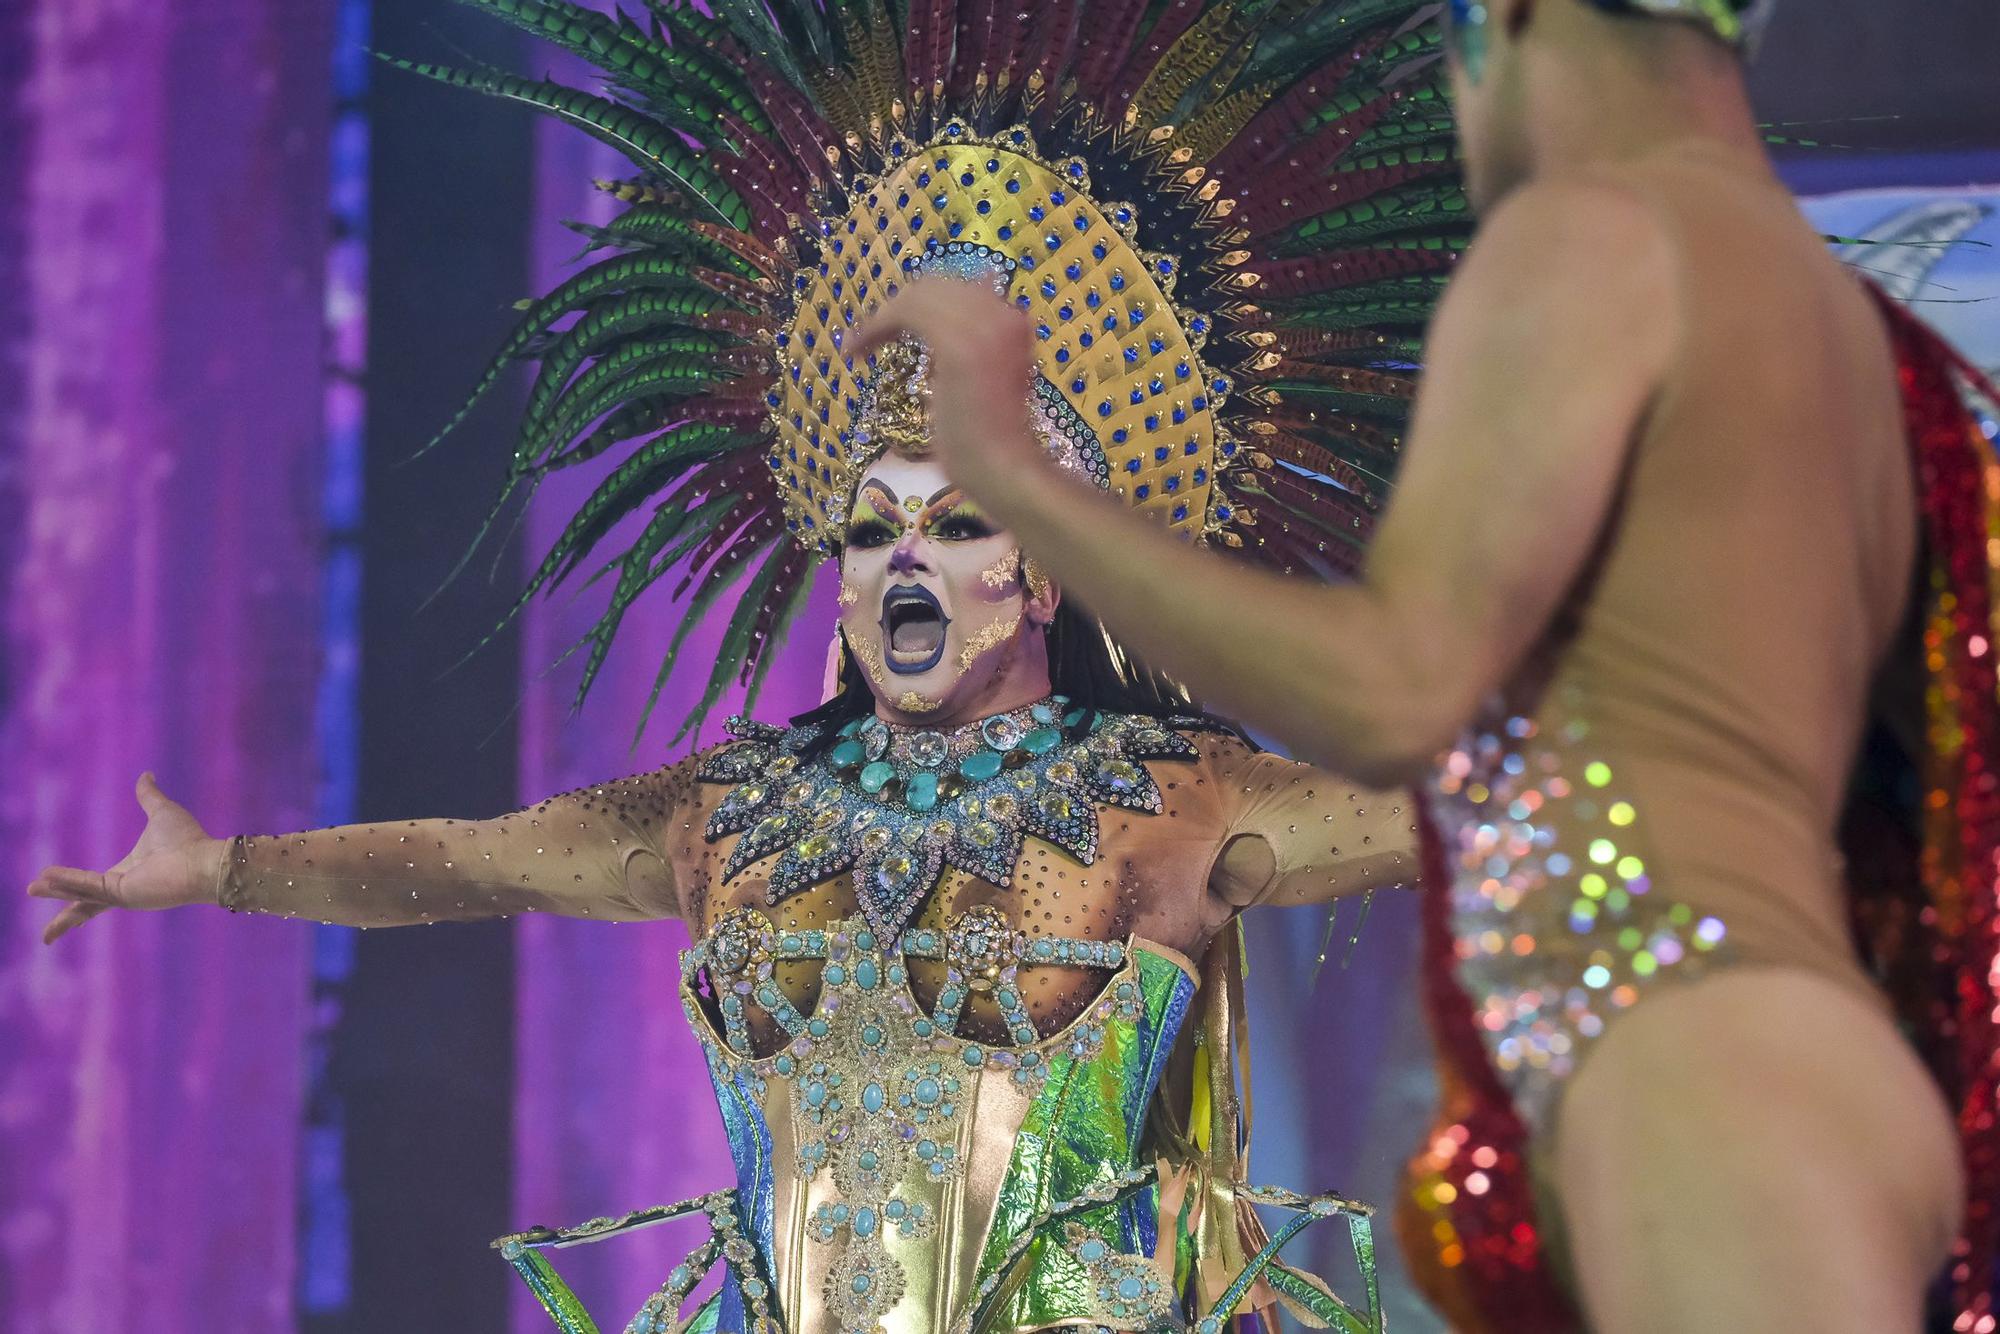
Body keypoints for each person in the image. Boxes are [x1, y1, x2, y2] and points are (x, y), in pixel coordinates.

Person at [24, 1, 1478, 1329]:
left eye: (956, 521)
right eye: (868, 526)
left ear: (1039, 567)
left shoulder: (1170, 797)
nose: (901, 558)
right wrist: (221, 866)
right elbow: (472, 859)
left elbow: (1447, 806)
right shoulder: (733, 811)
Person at [846, 1, 2000, 1332]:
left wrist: (1011, 472)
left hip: (1708, 1072)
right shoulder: (1837, 324)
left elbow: (1395, 687)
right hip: (1784, 1071)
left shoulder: (1593, 234)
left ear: (1501, 21)